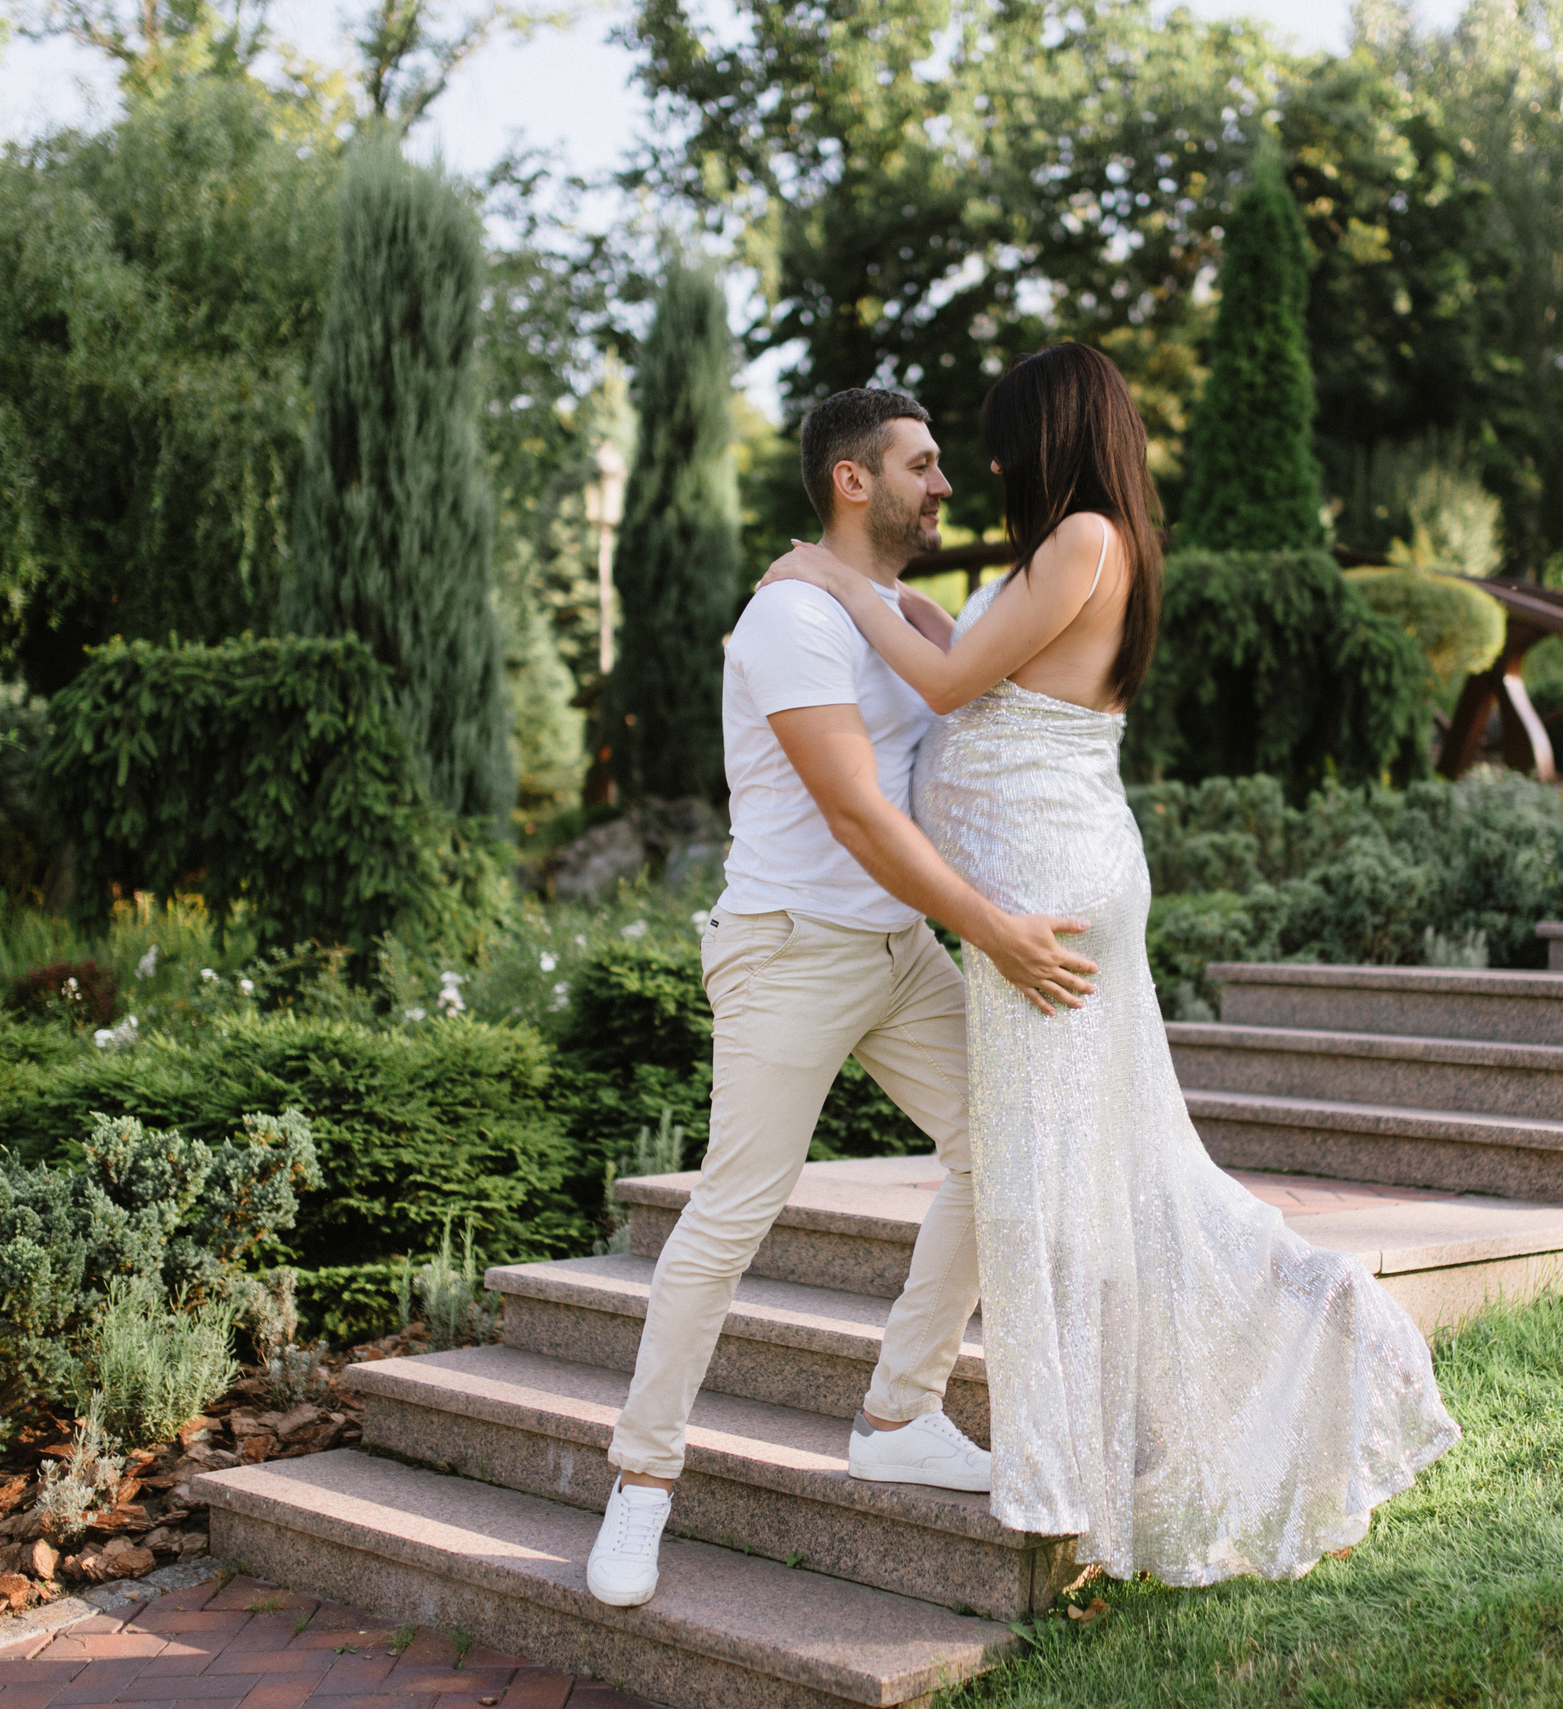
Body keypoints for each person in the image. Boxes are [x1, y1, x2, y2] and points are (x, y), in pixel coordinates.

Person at [757, 343, 1461, 1585]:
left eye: (998, 437)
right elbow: (964, 647)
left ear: (1053, 432)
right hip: (1050, 878)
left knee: (1061, 1183)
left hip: (1046, 896)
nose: (980, 465)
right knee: (1068, 1173)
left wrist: (832, 577)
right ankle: (1081, 1448)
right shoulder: (1073, 546)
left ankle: (1304, 1329)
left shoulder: (1083, 536)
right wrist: (891, 596)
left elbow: (940, 673)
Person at [584, 387, 1103, 1609]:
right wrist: (997, 932)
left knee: (1001, 1138)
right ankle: (641, 1479)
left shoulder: (873, 609)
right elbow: (858, 812)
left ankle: (898, 1411)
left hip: (894, 951)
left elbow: (950, 675)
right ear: (852, 480)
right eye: (922, 466)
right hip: (787, 949)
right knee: (731, 1212)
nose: (946, 485)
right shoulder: (786, 626)